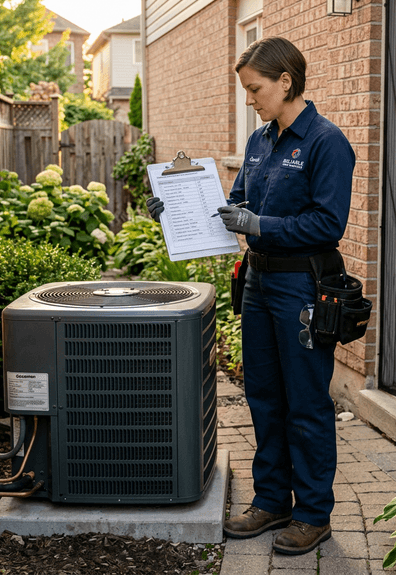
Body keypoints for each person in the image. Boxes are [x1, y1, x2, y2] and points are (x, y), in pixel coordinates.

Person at [148, 37, 355, 555]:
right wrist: (176, 210)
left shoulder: (327, 143)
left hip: (303, 285)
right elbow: (233, 205)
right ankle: (271, 501)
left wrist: (261, 224)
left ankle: (312, 514)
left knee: (305, 401)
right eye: (246, 90)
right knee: (263, 394)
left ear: (286, 81)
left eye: (255, 88)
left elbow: (329, 221)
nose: (249, 99)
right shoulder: (262, 142)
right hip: (260, 282)